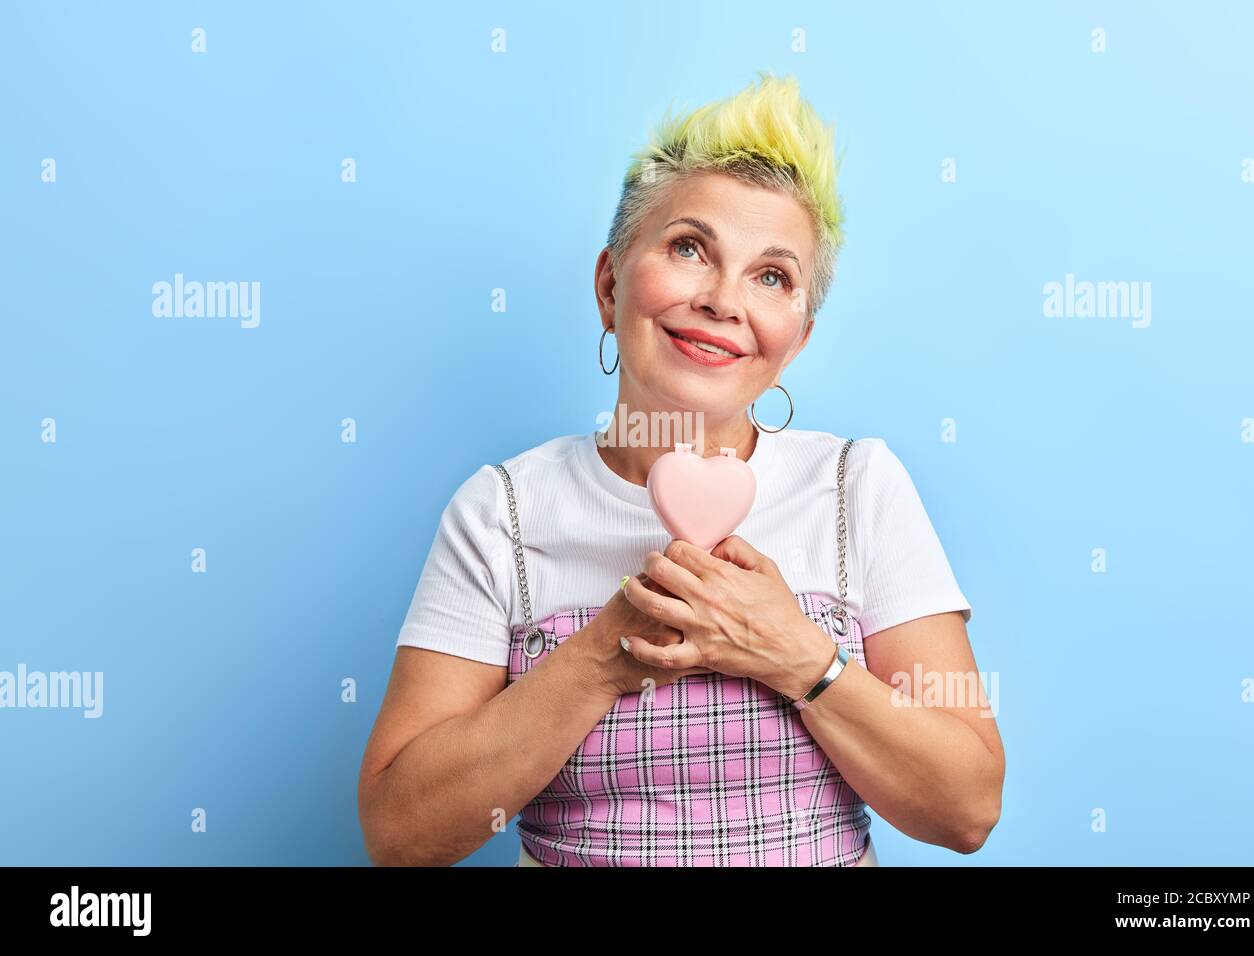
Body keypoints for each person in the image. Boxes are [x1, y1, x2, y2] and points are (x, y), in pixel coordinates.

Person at [358, 71, 1004, 867]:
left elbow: (969, 807)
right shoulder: (504, 511)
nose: (725, 300)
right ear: (609, 286)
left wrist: (795, 653)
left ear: (794, 339)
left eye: (772, 276)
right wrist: (601, 657)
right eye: (690, 248)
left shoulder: (857, 488)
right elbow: (397, 833)